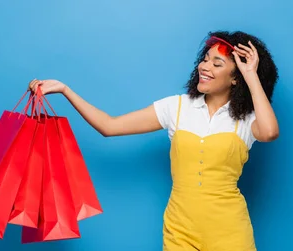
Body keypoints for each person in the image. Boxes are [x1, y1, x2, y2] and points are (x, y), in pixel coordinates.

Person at [28, 30, 279, 251]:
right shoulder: (177, 107)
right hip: (180, 230)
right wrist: (65, 89)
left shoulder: (246, 120)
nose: (205, 67)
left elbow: (269, 133)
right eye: (204, 59)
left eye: (217, 64)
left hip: (230, 231)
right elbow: (109, 126)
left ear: (235, 78)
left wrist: (250, 75)